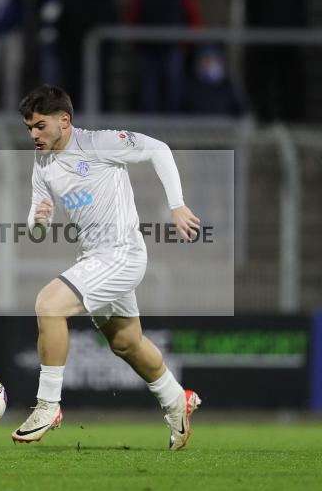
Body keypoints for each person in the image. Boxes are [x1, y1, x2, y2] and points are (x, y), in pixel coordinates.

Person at [13, 85, 202, 450]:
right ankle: (177, 400)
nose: (33, 135)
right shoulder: (43, 162)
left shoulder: (99, 143)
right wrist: (39, 219)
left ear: (64, 121)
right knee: (125, 342)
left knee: (48, 305)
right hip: (93, 258)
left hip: (122, 254)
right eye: (29, 128)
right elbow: (36, 224)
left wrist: (177, 206)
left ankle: (48, 406)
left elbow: (158, 150)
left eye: (39, 126)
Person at [125, 0, 202, 113]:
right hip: (148, 51)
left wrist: (186, 44)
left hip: (173, 50)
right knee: (149, 93)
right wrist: (136, 41)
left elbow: (194, 18)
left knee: (173, 91)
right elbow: (132, 17)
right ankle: (149, 130)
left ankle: (173, 125)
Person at [245, 0, 307, 123]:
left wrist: (299, 31)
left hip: (290, 39)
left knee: (291, 85)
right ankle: (265, 124)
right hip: (264, 38)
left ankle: (292, 125)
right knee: (263, 85)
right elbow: (252, 2)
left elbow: (301, 2)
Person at [59, 0, 117, 110]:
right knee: (74, 89)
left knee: (100, 88)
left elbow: (112, 23)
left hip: (99, 55)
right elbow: (63, 24)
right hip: (75, 54)